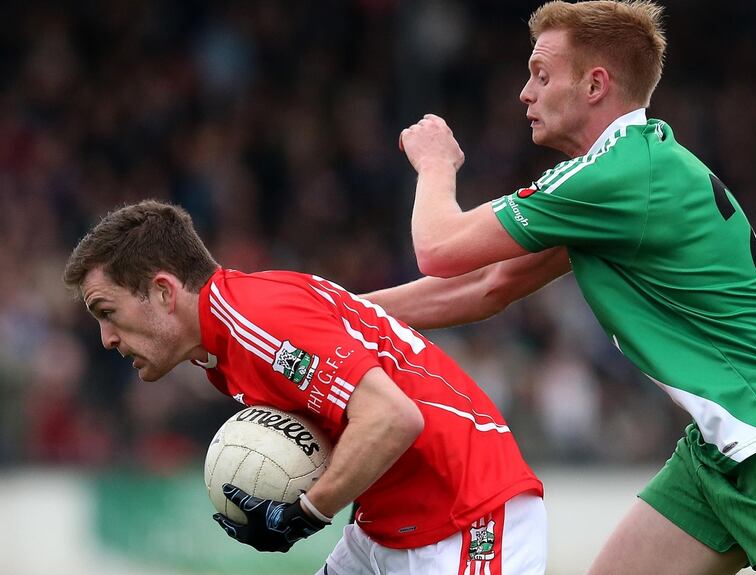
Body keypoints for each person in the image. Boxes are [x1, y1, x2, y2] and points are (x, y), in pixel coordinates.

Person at [365, 1, 756, 574]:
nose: (524, 93)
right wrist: (342, 312)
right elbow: (490, 285)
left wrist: (436, 164)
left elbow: (438, 248)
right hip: (721, 456)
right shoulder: (619, 176)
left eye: (541, 74)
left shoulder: (618, 173)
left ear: (594, 85)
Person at [62, 200, 547, 575]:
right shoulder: (231, 333)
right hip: (389, 526)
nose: (106, 338)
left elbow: (391, 416)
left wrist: (307, 512)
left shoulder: (257, 322)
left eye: (108, 312)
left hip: (467, 517)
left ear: (165, 292)